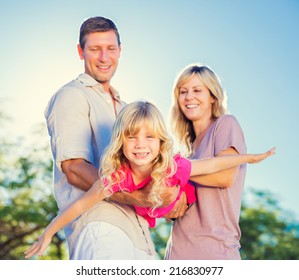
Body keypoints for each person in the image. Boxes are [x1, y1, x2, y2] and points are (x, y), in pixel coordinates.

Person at [24, 101, 275, 259]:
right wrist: (48, 232)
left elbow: (213, 164)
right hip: (155, 210)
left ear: (161, 143)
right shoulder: (116, 178)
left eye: (149, 138)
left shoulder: (172, 167)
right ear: (121, 143)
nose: (141, 145)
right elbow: (80, 205)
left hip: (182, 200)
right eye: (132, 137)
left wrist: (250, 158)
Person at [43, 16, 166, 260]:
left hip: (141, 238)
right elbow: (74, 168)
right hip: (100, 228)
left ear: (120, 50)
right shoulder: (72, 95)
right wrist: (138, 198)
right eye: (95, 49)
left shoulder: (127, 109)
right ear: (80, 51)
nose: (104, 57)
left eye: (110, 49)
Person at [165, 63, 260, 260]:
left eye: (197, 90)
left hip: (215, 251)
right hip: (176, 254)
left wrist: (176, 170)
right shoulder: (186, 152)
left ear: (213, 97)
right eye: (183, 91)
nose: (189, 97)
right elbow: (174, 208)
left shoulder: (225, 125)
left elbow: (224, 176)